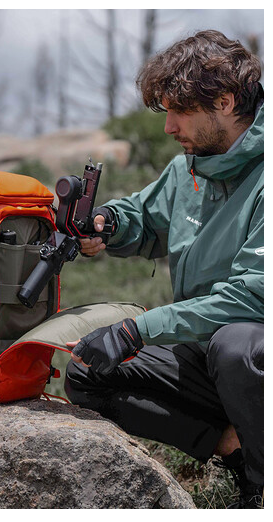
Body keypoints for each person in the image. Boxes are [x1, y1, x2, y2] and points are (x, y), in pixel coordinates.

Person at [64, 30, 264, 509]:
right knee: (88, 371)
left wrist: (138, 330)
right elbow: (144, 218)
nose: (170, 127)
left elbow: (250, 298)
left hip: (251, 354)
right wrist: (108, 222)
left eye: (181, 111)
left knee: (237, 346)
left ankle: (264, 489)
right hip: (205, 351)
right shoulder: (190, 167)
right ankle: (237, 449)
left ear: (225, 102)